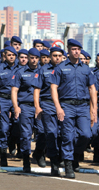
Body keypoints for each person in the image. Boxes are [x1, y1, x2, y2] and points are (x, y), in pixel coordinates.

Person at [49, 39, 97, 179]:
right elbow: (53, 88)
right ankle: (68, 165)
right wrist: (58, 107)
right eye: (74, 49)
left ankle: (75, 155)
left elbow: (92, 88)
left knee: (86, 134)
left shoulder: (86, 69)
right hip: (67, 105)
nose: (77, 52)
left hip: (83, 106)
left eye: (78, 49)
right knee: (67, 136)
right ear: (68, 50)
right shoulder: (60, 68)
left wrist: (93, 109)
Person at [33, 47, 64, 175]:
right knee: (51, 133)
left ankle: (43, 153)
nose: (57, 58)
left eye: (59, 55)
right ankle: (54, 162)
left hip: (63, 105)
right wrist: (37, 106)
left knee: (64, 133)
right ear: (50, 56)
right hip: (47, 103)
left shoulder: (65, 69)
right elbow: (37, 89)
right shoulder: (43, 69)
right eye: (54, 55)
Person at [11, 48, 41, 172]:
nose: (34, 60)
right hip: (25, 106)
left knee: (43, 132)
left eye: (36, 58)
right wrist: (16, 106)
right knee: (26, 135)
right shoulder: (20, 72)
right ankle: (26, 160)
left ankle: (38, 153)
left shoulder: (43, 71)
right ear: (28, 57)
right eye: (31, 57)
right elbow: (14, 90)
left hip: (40, 107)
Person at [0, 46, 19, 166]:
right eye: (9, 55)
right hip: (3, 99)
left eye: (13, 55)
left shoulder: (20, 69)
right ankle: (3, 154)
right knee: (3, 127)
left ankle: (12, 142)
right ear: (5, 56)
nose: (11, 57)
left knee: (18, 124)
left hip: (16, 100)